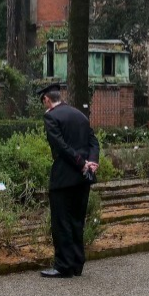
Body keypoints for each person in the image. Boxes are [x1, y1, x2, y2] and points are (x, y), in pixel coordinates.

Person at [38, 83, 100, 278]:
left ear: (47, 99)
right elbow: (93, 141)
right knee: (77, 220)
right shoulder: (80, 115)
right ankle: (76, 264)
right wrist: (92, 161)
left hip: (65, 176)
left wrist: (81, 163)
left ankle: (63, 266)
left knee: (61, 221)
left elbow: (60, 145)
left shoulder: (51, 116)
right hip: (83, 178)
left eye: (43, 102)